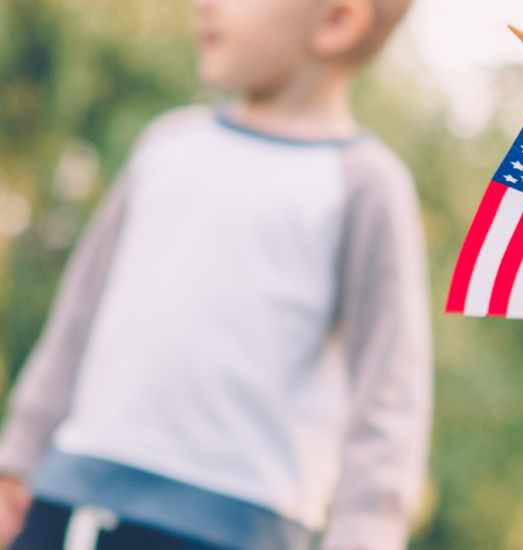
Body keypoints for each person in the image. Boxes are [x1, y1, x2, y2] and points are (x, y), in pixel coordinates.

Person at [0, 0, 429, 548]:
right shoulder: (166, 144)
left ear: (337, 21)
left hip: (236, 525)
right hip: (72, 494)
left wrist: (367, 530)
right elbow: (78, 314)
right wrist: (20, 454)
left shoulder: (366, 185)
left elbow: (387, 395)